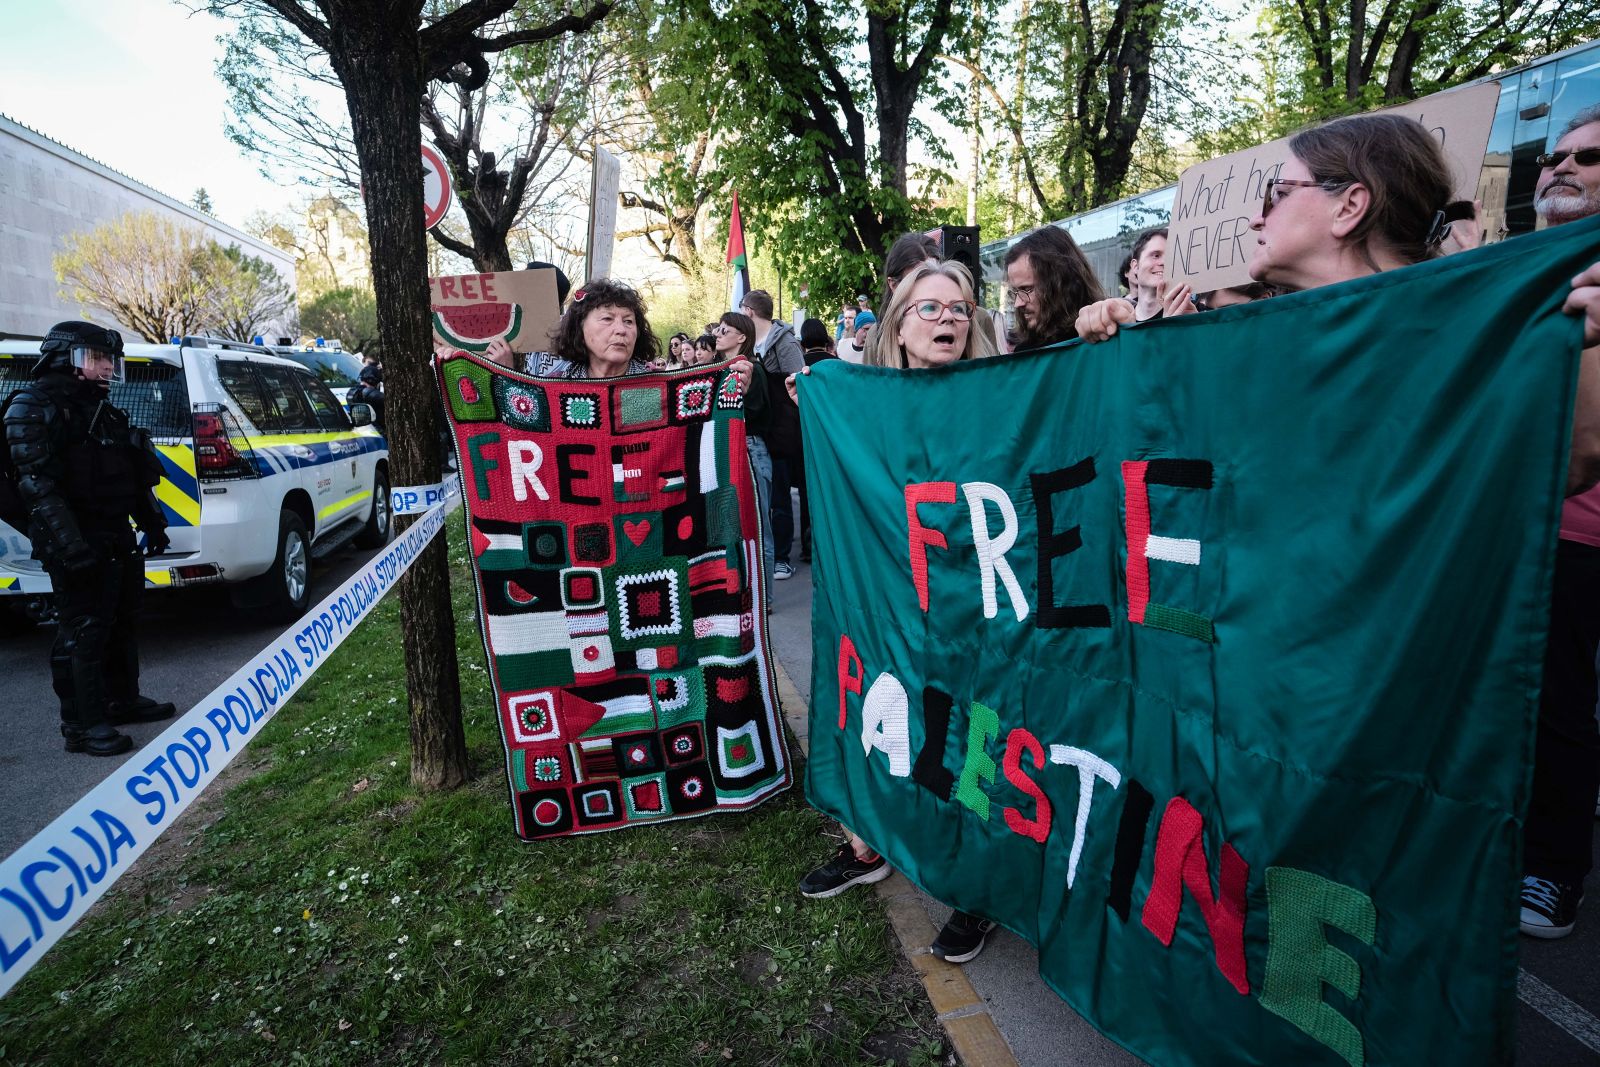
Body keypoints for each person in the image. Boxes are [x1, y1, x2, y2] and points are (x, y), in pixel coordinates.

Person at [1074, 113, 1600, 936]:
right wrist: (1121, 348)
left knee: (1372, 918)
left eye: (1276, 193)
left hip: (1389, 707)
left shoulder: (1468, 333)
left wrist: (1589, 348)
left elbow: (1565, 464)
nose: (1255, 214)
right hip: (1265, 690)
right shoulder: (1251, 339)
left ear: (1350, 206)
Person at [792, 261, 1002, 963]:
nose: (947, 319)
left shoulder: (1001, 393)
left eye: (960, 309)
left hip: (975, 604)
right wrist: (818, 403)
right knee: (888, 719)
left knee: (972, 737)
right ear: (899, 324)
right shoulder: (867, 399)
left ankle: (979, 889)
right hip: (891, 600)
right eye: (930, 308)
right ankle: (871, 843)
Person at [3, 322, 175, 756]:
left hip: (115, 532)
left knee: (123, 618)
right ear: (67, 358)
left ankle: (122, 699)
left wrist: (152, 523)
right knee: (83, 629)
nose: (104, 367)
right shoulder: (32, 406)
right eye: (95, 358)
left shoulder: (104, 410)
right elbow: (35, 485)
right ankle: (81, 724)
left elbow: (134, 476)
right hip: (74, 538)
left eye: (107, 360)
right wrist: (69, 544)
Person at [1520, 102, 1600, 938]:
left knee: (1561, 708)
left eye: (1588, 157)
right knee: (1536, 702)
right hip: (1531, 527)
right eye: (1553, 156)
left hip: (1583, 529)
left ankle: (1552, 870)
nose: (1559, 168)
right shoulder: (1524, 271)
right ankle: (1533, 857)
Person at [740, 291, 805, 581]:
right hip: (761, 428)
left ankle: (780, 557)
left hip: (780, 430)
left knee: (779, 494)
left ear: (749, 311)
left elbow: (800, 380)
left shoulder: (785, 341)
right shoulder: (751, 345)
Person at [713, 312, 776, 593]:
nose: (716, 333)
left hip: (751, 448)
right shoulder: (717, 369)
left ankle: (765, 597)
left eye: (724, 329)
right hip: (725, 448)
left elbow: (759, 412)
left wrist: (743, 390)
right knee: (729, 526)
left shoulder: (753, 368)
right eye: (717, 328)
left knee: (759, 528)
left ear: (742, 337)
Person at [1002, 225, 1106, 349]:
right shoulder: (1025, 351)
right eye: (1015, 292)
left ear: (1060, 283)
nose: (1018, 303)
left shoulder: (1102, 335)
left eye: (1026, 289)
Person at [862, 233, 940, 365]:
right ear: (893, 284)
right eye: (917, 281)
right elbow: (869, 385)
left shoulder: (974, 320)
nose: (929, 290)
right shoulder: (876, 336)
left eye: (935, 278)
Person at [349, 362, 385, 432]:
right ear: (374, 381)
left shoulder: (353, 391)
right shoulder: (370, 393)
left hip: (362, 429)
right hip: (376, 430)